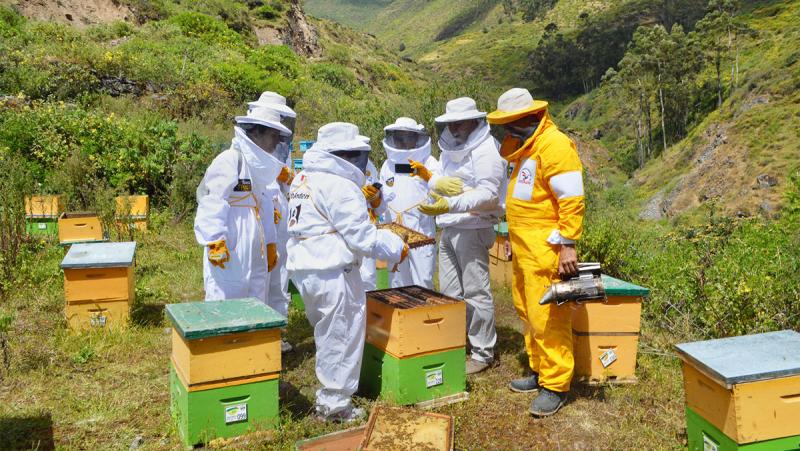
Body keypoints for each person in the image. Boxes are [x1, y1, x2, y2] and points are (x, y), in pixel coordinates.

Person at [286, 122, 408, 422]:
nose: (358, 161)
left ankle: (330, 395)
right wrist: (397, 246)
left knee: (327, 332)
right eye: (354, 154)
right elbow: (363, 238)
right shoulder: (340, 186)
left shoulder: (302, 178)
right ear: (341, 155)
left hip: (306, 268)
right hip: (333, 271)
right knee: (342, 334)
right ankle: (334, 405)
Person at [487, 88, 585, 417]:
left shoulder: (555, 145)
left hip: (548, 250)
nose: (507, 131)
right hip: (525, 249)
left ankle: (556, 385)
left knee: (549, 318)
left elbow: (571, 199)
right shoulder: (525, 151)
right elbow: (526, 203)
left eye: (511, 124)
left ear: (527, 118)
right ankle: (540, 371)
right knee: (528, 313)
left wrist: (568, 245)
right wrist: (514, 242)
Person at [418, 97, 506, 375]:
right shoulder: (449, 150)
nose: (455, 128)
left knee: (476, 291)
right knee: (449, 292)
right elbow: (442, 182)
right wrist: (434, 183)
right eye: (450, 123)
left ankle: (482, 352)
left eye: (460, 122)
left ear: (474, 121)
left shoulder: (487, 150)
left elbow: (489, 193)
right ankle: (458, 343)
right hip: (450, 226)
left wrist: (450, 204)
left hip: (474, 227)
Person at [194, 106, 290, 303]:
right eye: (273, 135)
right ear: (257, 132)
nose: (276, 142)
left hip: (256, 237)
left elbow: (263, 204)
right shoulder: (230, 159)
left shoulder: (257, 167)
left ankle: (253, 334)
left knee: (256, 291)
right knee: (225, 291)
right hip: (231, 236)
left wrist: (271, 242)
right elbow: (212, 198)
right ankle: (223, 334)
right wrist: (214, 240)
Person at [248, 91, 297, 353]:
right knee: (259, 278)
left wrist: (289, 180)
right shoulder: (247, 152)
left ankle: (276, 331)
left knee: (280, 276)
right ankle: (259, 333)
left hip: (280, 214)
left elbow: (288, 181)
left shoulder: (280, 146)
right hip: (259, 217)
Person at [379, 117, 440, 289]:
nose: (403, 141)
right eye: (399, 137)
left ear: (415, 138)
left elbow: (439, 190)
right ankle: (402, 315)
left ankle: (424, 315)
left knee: (423, 279)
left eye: (407, 137)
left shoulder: (429, 162)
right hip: (395, 231)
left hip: (421, 230)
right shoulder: (387, 165)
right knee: (397, 281)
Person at [357, 136, 382, 291]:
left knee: (368, 274)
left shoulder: (371, 167)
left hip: (368, 221)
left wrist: (376, 198)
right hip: (347, 224)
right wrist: (359, 194)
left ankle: (368, 311)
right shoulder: (339, 167)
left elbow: (379, 202)